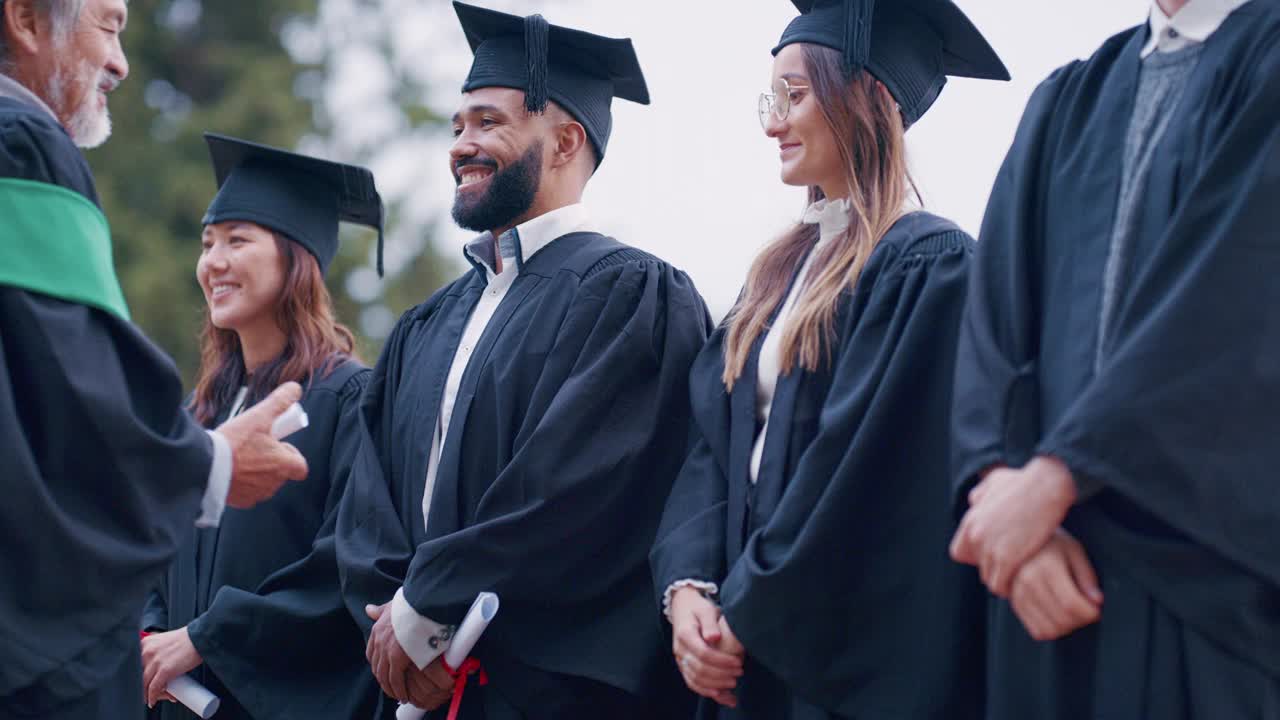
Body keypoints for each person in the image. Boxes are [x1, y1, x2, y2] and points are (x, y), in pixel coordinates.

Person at [334, 2, 712, 717]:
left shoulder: (633, 296)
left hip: (547, 695)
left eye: (488, 123)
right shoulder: (427, 324)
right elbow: (367, 499)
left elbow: (576, 488)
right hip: (412, 691)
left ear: (566, 142)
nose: (461, 144)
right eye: (457, 126)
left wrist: (425, 607)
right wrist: (389, 625)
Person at [649, 1, 1009, 718]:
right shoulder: (775, 278)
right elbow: (712, 448)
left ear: (871, 97)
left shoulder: (928, 265)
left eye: (795, 95)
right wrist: (688, 586)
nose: (772, 121)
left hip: (834, 648)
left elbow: (864, 469)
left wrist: (750, 602)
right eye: (770, 98)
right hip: (737, 633)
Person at [948, 0, 1280, 717]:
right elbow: (993, 325)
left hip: (1211, 588)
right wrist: (1002, 487)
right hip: (1046, 579)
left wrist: (1061, 475)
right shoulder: (1068, 99)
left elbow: (1244, 294)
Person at [0, 2, 308, 717]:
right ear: (23, 18)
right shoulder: (21, 145)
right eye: (108, 25)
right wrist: (211, 463)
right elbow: (77, 405)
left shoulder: (345, 395)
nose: (120, 62)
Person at [139, 134, 383, 720]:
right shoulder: (199, 416)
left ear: (296, 258)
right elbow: (153, 545)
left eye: (237, 240)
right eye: (207, 243)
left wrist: (205, 637)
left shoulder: (351, 400)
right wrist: (150, 634)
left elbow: (349, 564)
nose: (213, 262)